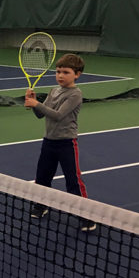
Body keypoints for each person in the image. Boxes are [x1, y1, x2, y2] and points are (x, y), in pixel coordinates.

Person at [25, 53, 95, 232]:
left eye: (65, 72)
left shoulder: (75, 94)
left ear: (77, 74)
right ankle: (42, 205)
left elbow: (57, 115)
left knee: (73, 181)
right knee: (42, 178)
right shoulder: (53, 91)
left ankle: (86, 215)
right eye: (57, 72)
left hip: (66, 144)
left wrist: (36, 104)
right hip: (48, 142)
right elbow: (41, 114)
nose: (60, 75)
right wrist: (34, 104)